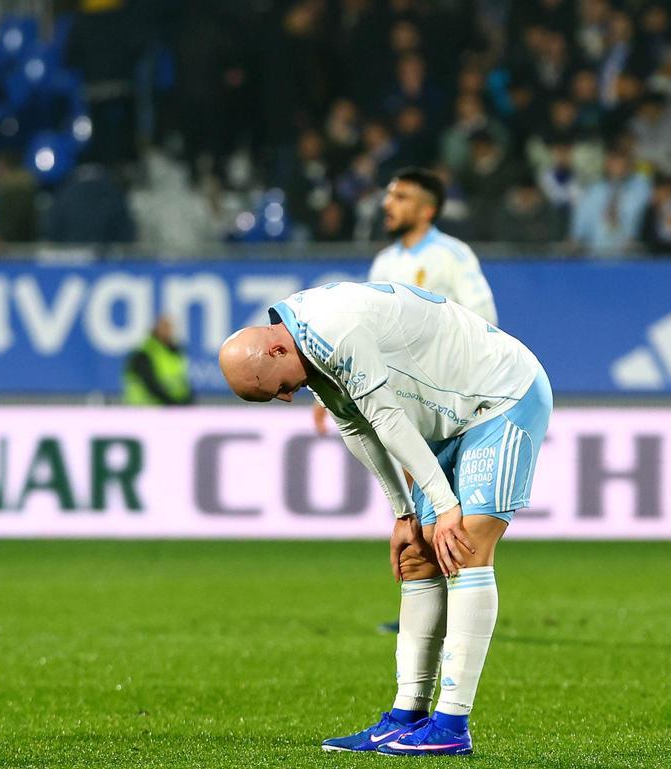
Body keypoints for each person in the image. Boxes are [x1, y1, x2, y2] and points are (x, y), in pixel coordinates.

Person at [219, 281, 552, 756]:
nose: (287, 398)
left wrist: (445, 503)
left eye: (280, 389)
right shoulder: (306, 353)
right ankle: (406, 715)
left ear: (275, 348)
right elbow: (356, 426)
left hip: (499, 397)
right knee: (418, 556)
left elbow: (387, 418)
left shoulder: (332, 329)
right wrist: (404, 514)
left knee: (465, 550)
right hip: (447, 418)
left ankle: (452, 725)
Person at [313, 167, 497, 437]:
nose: (387, 204)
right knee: (413, 475)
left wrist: (480, 389)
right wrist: (336, 387)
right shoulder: (384, 262)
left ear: (426, 211)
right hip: (404, 393)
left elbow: (485, 320)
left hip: (450, 392)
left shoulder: (452, 254)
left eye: (401, 198)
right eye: (389, 196)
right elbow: (368, 332)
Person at [122, 316, 194, 406]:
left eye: (170, 327)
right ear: (156, 328)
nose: (168, 331)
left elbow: (182, 382)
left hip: (169, 411)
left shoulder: (176, 352)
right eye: (164, 327)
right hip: (144, 410)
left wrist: (187, 401)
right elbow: (151, 385)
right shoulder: (144, 354)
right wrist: (174, 404)